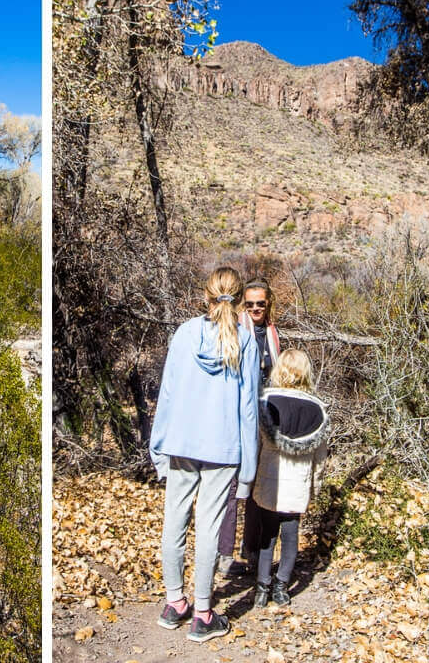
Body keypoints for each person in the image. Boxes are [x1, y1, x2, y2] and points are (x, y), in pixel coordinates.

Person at [150, 267, 260, 643]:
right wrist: (249, 467)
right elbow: (249, 408)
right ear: (241, 299)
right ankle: (202, 612)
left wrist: (158, 444)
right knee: (209, 528)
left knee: (174, 521)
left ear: (206, 296)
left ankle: (173, 603)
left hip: (181, 441)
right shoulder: (246, 341)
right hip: (223, 446)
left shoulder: (184, 334)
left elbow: (168, 391)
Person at [251, 349, 329, 607]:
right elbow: (320, 459)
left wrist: (249, 479)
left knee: (267, 535)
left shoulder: (265, 402)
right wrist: (314, 489)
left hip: (268, 481)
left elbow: (256, 446)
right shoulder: (318, 411)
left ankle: (262, 587)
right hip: (298, 485)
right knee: (290, 537)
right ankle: (282, 587)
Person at [218, 278, 282, 576]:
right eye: (250, 303)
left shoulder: (271, 333)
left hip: (264, 417)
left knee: (258, 485)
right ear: (242, 304)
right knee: (233, 484)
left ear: (268, 304)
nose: (256, 308)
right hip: (236, 415)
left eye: (261, 303)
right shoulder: (235, 330)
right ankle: (224, 553)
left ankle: (252, 549)